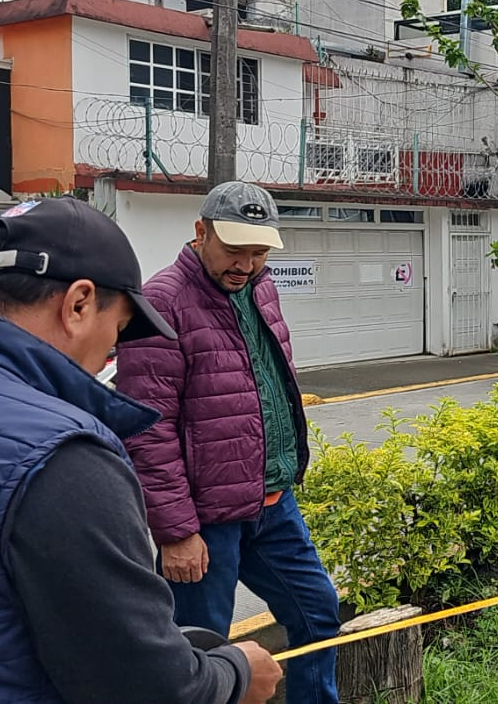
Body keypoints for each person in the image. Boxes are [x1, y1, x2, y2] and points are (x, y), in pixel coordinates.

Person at [0, 197, 281, 704]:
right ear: (79, 304)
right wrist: (235, 675)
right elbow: (146, 684)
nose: (114, 346)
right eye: (122, 327)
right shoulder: (64, 458)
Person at [116, 182, 339, 704]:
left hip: (274, 502)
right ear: (201, 233)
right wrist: (175, 532)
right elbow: (147, 427)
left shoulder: (261, 287)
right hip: (205, 520)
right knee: (199, 653)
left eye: (259, 252)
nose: (247, 264)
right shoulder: (162, 301)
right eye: (234, 250)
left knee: (317, 611)